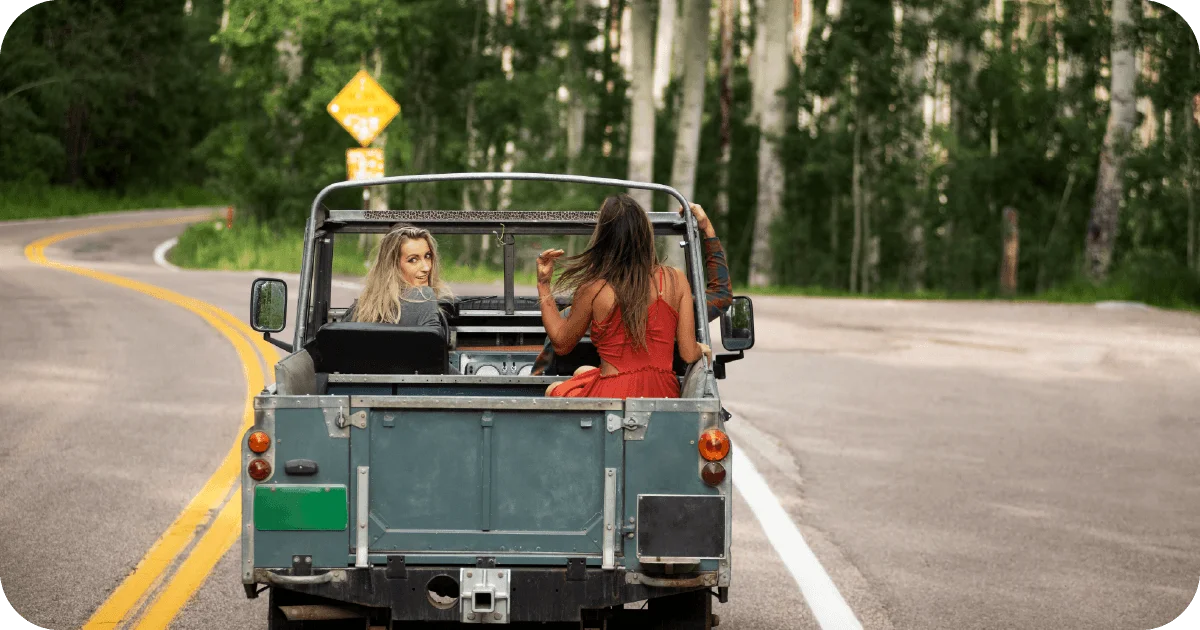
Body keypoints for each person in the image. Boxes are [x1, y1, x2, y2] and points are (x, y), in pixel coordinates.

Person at [536, 194, 712, 399]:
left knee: (554, 388)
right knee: (582, 371)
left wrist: (543, 284)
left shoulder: (594, 288)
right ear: (645, 234)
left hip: (613, 396)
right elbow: (688, 353)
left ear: (604, 238)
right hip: (663, 393)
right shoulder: (675, 279)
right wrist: (701, 349)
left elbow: (561, 343)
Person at [343, 224, 452, 335]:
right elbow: (434, 347)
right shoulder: (424, 296)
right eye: (413, 260)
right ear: (393, 267)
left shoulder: (359, 308)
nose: (426, 267)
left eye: (427, 256)